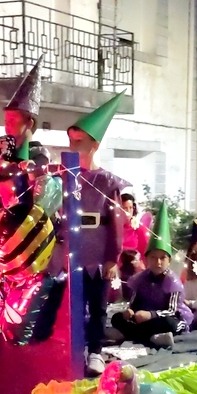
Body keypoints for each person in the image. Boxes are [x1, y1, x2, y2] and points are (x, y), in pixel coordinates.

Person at [67, 93, 129, 377]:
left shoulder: (106, 181)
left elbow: (116, 221)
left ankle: (95, 351)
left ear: (94, 145)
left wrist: (112, 257)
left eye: (79, 141)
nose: (73, 146)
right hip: (71, 255)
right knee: (73, 307)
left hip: (97, 254)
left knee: (98, 306)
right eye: (71, 141)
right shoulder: (64, 176)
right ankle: (75, 348)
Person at [113, 203, 192, 349]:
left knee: (170, 324)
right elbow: (134, 302)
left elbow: (172, 310)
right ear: (147, 259)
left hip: (166, 317)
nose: (158, 262)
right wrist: (130, 312)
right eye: (154, 257)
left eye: (162, 258)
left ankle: (135, 334)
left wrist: (150, 315)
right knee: (116, 318)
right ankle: (149, 335)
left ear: (169, 260)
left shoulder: (172, 281)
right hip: (144, 318)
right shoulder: (141, 278)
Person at [120, 193, 150, 260]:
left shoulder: (140, 228)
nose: (128, 211)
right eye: (125, 208)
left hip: (135, 264)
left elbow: (146, 252)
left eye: (130, 208)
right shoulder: (113, 228)